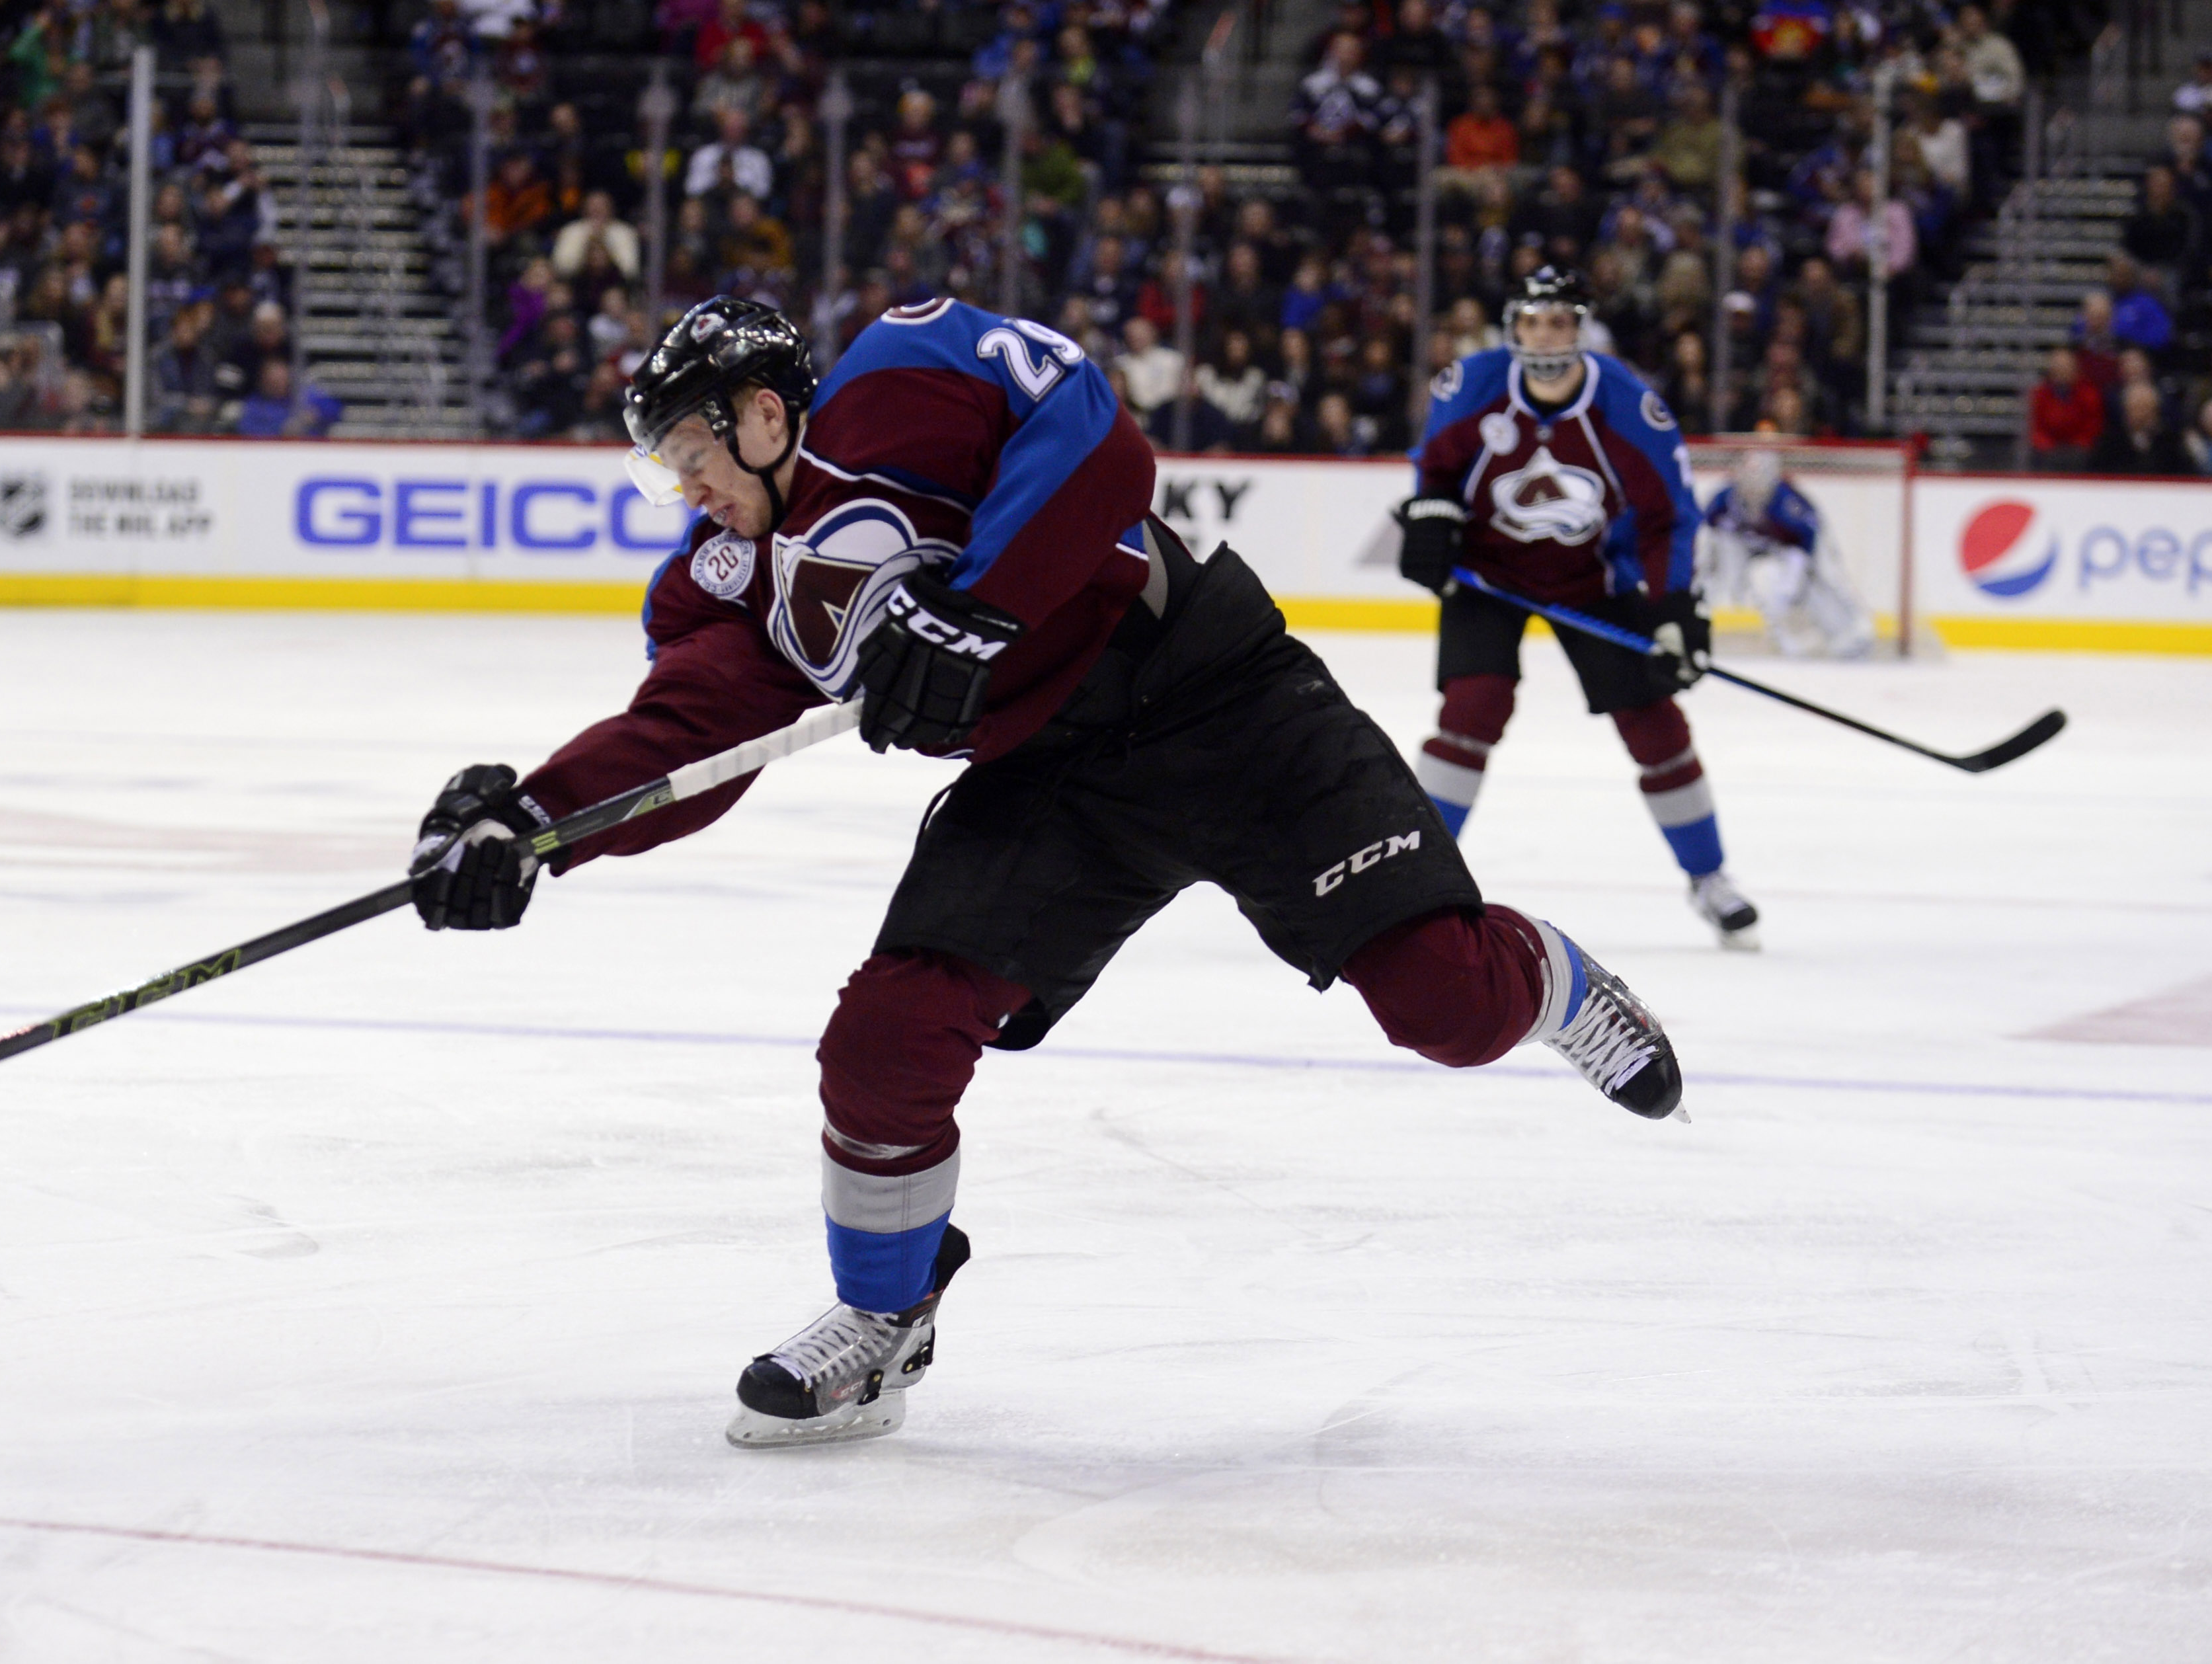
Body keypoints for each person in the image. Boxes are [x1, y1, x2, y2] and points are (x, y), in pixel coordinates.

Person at [403, 296, 1685, 1451]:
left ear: (758, 410)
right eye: (666, 470)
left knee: (1446, 1007)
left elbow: (1094, 442)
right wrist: (533, 821)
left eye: (690, 454)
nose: (686, 490)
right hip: (1050, 783)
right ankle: (884, 1317)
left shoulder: (904, 372)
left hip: (1222, 697)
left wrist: (980, 604)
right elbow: (690, 736)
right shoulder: (723, 585)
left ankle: (1552, 979)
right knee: (885, 1037)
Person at [1398, 267, 1760, 950]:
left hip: (1594, 581)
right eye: (1533, 322)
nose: (1546, 335)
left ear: (1582, 328)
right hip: (1488, 577)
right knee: (1472, 711)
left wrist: (1677, 609)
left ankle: (1710, 878)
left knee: (1654, 724)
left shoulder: (1628, 407)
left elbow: (1669, 520)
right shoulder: (1471, 385)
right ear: (1514, 329)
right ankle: (1413, 884)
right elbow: (1436, 469)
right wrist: (1430, 522)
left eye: (1560, 321)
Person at [1702, 450, 1874, 659]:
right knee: (1765, 582)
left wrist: (1799, 579)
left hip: (1796, 554)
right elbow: (1710, 534)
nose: (1753, 485)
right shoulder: (1723, 501)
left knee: (1827, 582)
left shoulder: (1787, 504)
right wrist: (1722, 573)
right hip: (1762, 554)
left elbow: (1809, 542)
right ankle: (1788, 641)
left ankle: (1854, 630)